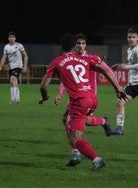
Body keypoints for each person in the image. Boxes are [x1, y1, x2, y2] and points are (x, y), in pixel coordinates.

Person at [39, 34, 128, 170]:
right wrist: (117, 88)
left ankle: (95, 158)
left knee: (76, 138)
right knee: (66, 119)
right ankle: (99, 126)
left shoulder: (57, 61)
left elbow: (43, 86)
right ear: (74, 45)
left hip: (80, 101)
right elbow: (105, 70)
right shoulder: (83, 60)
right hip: (92, 98)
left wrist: (44, 97)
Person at [54, 33, 119, 166]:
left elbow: (107, 70)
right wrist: (60, 92)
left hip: (88, 97)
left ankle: (79, 153)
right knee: (67, 120)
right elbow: (65, 79)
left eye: (83, 43)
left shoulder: (92, 57)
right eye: (78, 43)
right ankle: (102, 122)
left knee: (74, 124)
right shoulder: (71, 58)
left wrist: (117, 87)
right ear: (74, 45)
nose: (81, 46)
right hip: (76, 97)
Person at [0, 31, 28, 104]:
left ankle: (13, 99)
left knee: (12, 80)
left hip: (18, 66)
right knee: (12, 83)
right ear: (8, 38)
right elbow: (4, 57)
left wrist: (25, 66)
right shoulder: (6, 47)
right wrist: (0, 67)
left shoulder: (19, 45)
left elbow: (26, 56)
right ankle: (18, 99)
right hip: (11, 66)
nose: (11, 38)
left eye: (13, 37)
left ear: (15, 38)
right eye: (10, 37)